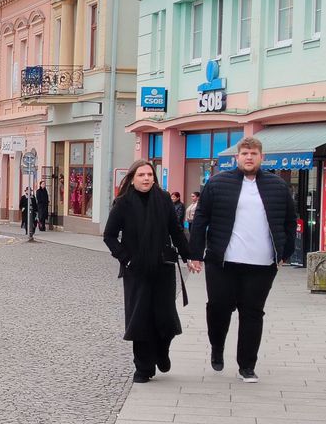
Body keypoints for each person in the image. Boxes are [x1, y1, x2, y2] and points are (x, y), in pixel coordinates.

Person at [188, 137, 296, 383]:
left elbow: (289, 221)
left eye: (254, 153)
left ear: (262, 157)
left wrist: (284, 253)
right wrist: (195, 254)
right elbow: (201, 219)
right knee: (218, 309)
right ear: (237, 157)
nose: (249, 157)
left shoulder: (278, 186)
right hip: (222, 262)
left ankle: (247, 366)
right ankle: (217, 346)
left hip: (262, 264)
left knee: (252, 314)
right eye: (245, 153)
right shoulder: (217, 183)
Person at [103, 159, 190, 383]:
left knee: (166, 316)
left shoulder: (164, 199)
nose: (146, 178)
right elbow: (109, 236)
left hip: (163, 267)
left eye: (149, 175)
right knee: (140, 318)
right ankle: (143, 367)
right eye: (141, 175)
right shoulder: (123, 203)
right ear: (132, 179)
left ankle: (162, 351)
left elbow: (175, 230)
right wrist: (126, 259)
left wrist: (189, 255)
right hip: (136, 270)